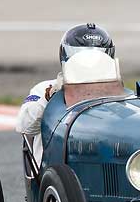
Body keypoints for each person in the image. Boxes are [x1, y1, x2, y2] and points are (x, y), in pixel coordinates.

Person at [15, 22, 115, 163]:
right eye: (83, 58)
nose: (89, 64)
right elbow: (24, 126)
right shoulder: (45, 88)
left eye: (95, 58)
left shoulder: (116, 94)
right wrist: (48, 97)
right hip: (54, 169)